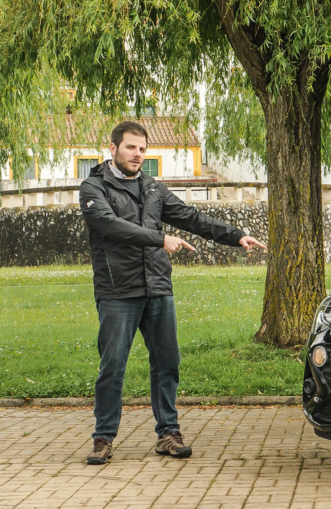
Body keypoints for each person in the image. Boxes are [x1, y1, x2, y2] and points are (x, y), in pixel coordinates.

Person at [78, 121, 266, 465]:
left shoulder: (152, 188)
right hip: (118, 291)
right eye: (131, 147)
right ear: (113, 149)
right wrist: (159, 239)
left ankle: (168, 433)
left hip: (158, 288)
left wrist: (235, 235)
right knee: (113, 366)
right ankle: (103, 438)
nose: (137, 154)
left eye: (142, 149)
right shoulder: (93, 187)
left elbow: (191, 217)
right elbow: (109, 226)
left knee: (168, 363)